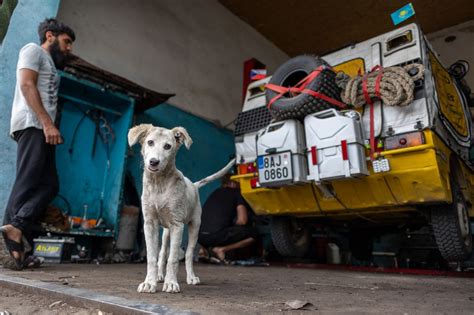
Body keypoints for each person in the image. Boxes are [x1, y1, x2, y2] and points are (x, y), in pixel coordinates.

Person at [0, 18, 75, 270]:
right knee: (27, 182)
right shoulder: (32, 50)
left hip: (42, 128)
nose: (69, 48)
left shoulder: (51, 65)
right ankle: (11, 244)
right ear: (50, 36)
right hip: (33, 125)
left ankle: (18, 236)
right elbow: (26, 84)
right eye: (67, 42)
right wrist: (46, 123)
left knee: (48, 184)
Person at [198, 173, 258, 262]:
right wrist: (234, 224)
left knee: (213, 229)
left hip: (200, 238)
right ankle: (222, 249)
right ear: (233, 183)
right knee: (254, 234)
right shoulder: (237, 193)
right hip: (217, 236)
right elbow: (243, 220)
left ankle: (203, 250)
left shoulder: (215, 193)